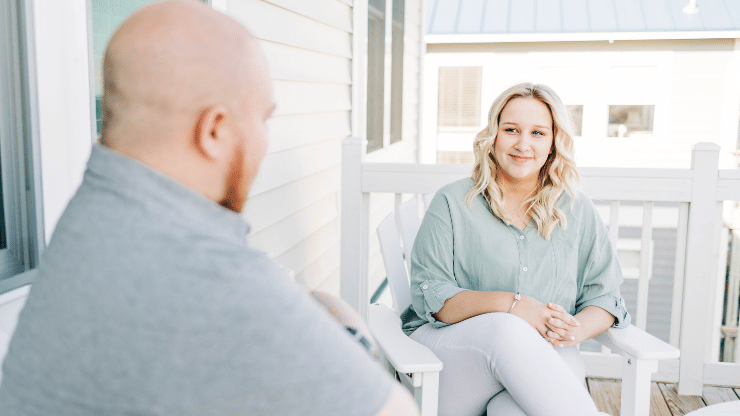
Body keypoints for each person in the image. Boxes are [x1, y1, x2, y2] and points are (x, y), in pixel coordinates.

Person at [0, 1, 418, 415]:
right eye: (262, 120)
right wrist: (355, 336)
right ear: (215, 130)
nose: (263, 141)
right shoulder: (199, 270)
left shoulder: (93, 216)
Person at [400, 83, 631, 416]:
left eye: (538, 132)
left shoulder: (576, 210)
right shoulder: (452, 202)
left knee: (512, 409)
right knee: (508, 328)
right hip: (449, 364)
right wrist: (514, 305)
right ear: (493, 135)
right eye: (511, 130)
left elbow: (606, 298)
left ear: (553, 143)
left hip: (540, 356)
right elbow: (431, 297)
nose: (523, 144)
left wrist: (573, 330)